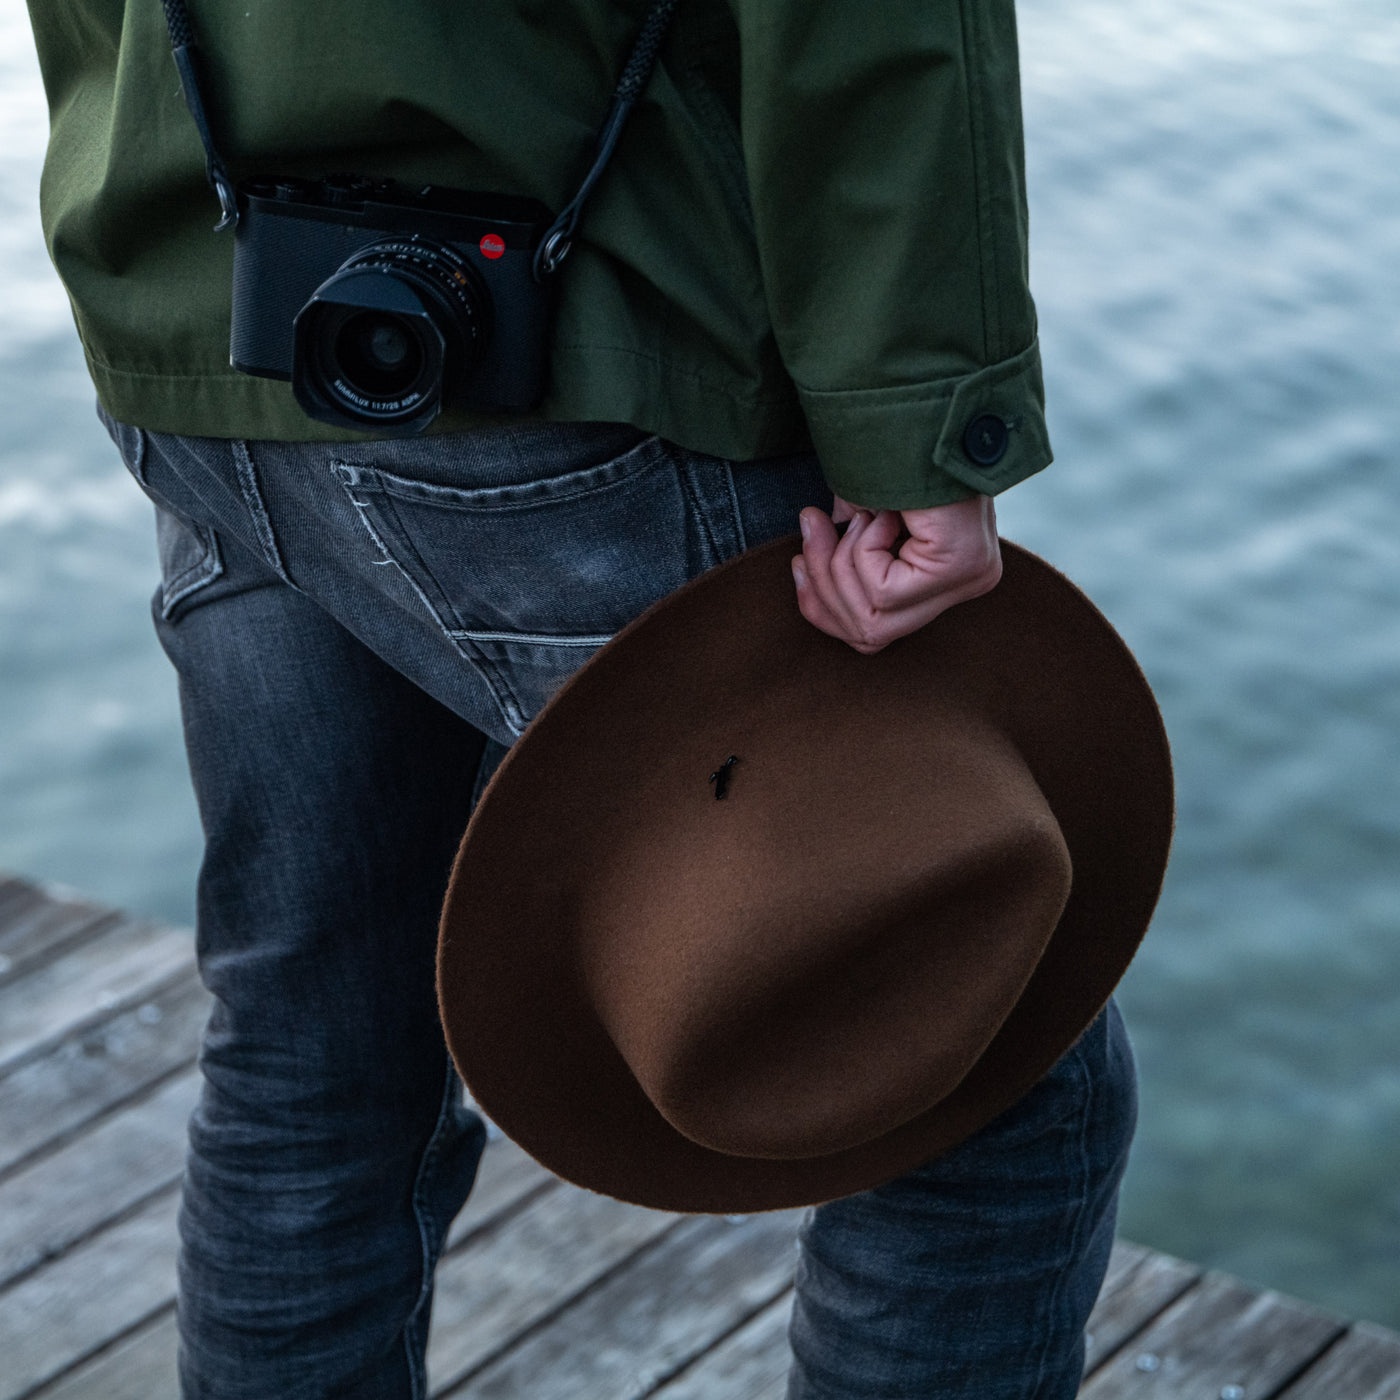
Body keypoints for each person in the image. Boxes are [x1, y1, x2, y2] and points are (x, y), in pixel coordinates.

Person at [23, 0, 1136, 1395]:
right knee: (979, 1067)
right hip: (563, 335)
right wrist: (919, 419)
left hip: (210, 315)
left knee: (320, 1047)